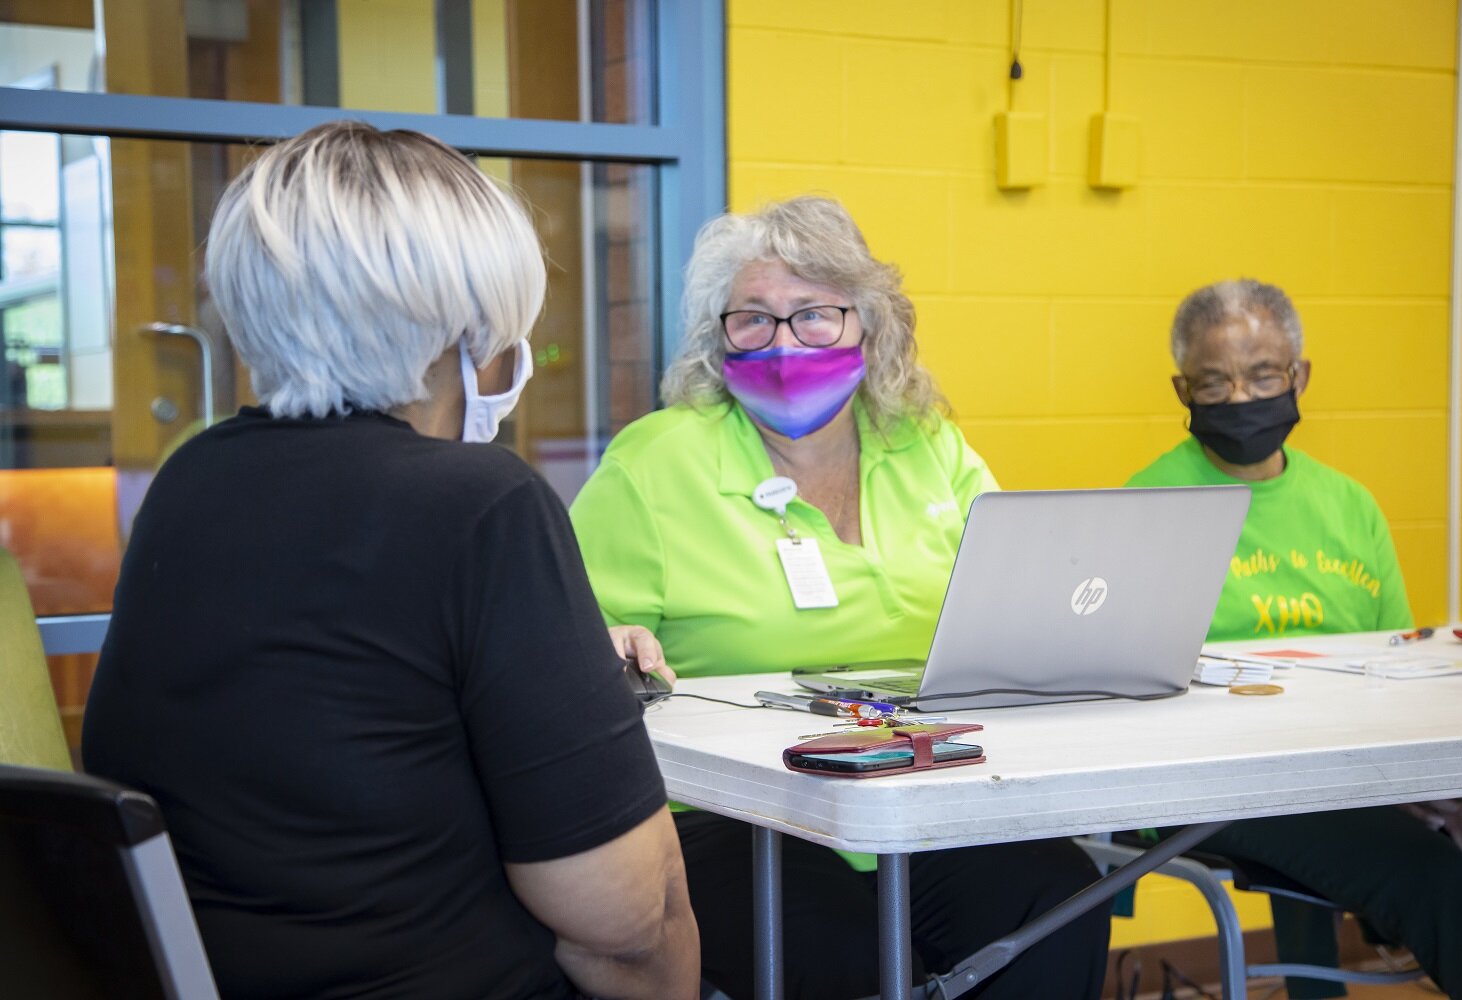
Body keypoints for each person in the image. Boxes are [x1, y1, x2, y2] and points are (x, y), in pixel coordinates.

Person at [82, 122, 698, 1000]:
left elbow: (337, 697)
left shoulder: (193, 479)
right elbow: (626, 921)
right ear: (467, 329)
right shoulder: (483, 501)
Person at [569, 196, 1110, 999]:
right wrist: (610, 641)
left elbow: (1020, 591)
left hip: (923, 791)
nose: (783, 343)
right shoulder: (655, 465)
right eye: (751, 319)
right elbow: (576, 642)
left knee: (1057, 893)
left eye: (815, 315)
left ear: (871, 325)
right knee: (841, 953)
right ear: (718, 340)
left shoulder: (927, 444)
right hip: (740, 815)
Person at [1127, 278, 1462, 1000]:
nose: (1240, 399)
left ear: (1300, 377)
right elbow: (1138, 688)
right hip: (1221, 778)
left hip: (1353, 762)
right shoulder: (1148, 506)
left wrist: (1424, 779)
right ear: (1183, 390)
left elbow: (1404, 662)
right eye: (1215, 381)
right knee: (1429, 878)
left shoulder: (1349, 505)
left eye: (1263, 374)